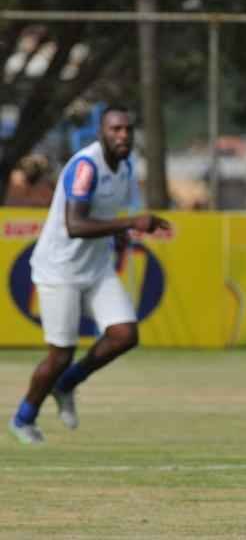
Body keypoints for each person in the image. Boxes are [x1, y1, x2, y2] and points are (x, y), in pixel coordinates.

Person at [9, 106, 170, 444]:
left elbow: (103, 215)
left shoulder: (124, 167)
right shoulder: (86, 167)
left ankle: (67, 384)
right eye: (115, 129)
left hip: (96, 268)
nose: (123, 135)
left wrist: (119, 233)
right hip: (60, 270)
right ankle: (24, 417)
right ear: (101, 132)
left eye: (127, 129)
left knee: (125, 335)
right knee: (60, 355)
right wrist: (131, 222)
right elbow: (75, 224)